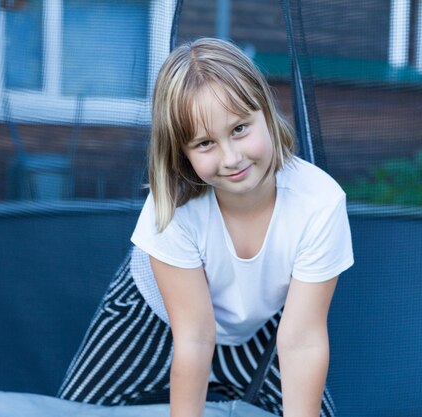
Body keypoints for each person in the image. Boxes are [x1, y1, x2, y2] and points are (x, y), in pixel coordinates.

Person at [58, 37, 354, 417]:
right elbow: (195, 337)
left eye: (240, 129)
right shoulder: (171, 208)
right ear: (181, 151)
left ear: (265, 110)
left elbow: (301, 341)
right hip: (154, 316)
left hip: (256, 325)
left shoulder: (320, 203)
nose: (231, 158)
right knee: (67, 411)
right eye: (204, 143)